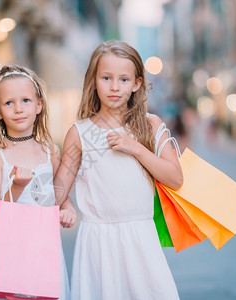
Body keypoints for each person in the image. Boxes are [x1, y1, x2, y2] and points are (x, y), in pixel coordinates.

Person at [54, 40, 183, 299]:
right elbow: (57, 192)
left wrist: (135, 148)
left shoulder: (150, 125)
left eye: (124, 80)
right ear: (94, 80)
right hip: (98, 241)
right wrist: (64, 200)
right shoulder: (81, 133)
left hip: (141, 237)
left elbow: (175, 178)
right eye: (106, 78)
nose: (115, 87)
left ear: (136, 83)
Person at [0, 65, 76, 299]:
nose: (18, 109)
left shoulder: (50, 152)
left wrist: (68, 208)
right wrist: (16, 187)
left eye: (25, 100)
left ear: (39, 105)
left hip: (47, 249)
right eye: (9, 103)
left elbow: (58, 194)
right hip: (13, 251)